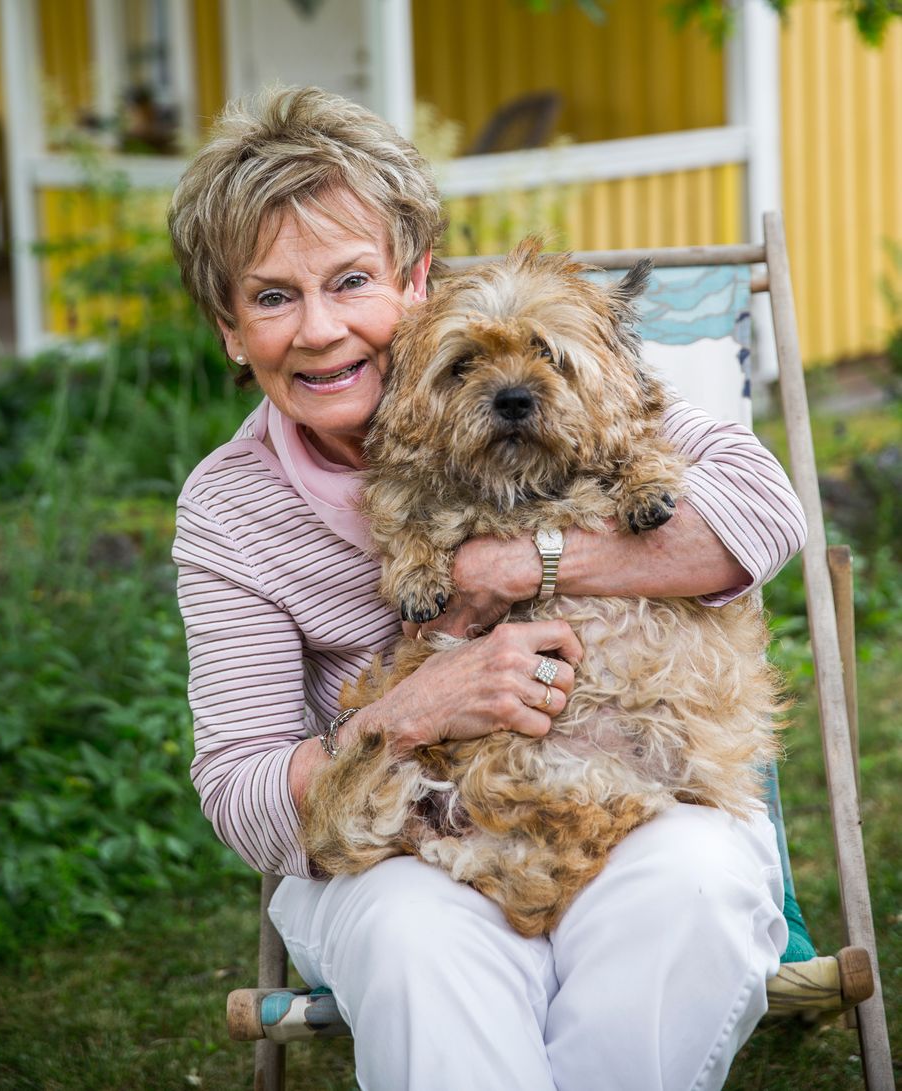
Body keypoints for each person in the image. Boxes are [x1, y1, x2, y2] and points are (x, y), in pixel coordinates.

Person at [168, 86, 807, 1091]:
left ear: (415, 279)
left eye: (350, 279)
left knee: (692, 889)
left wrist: (523, 564)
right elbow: (244, 793)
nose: (323, 330)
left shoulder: (570, 385)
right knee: (420, 947)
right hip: (410, 839)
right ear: (228, 325)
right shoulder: (230, 510)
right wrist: (408, 712)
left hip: (637, 794)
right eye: (273, 295)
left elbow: (765, 516)